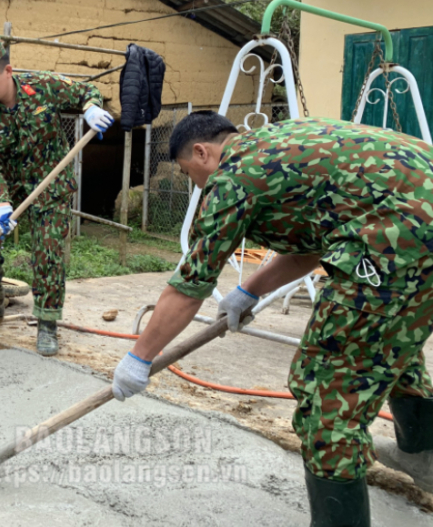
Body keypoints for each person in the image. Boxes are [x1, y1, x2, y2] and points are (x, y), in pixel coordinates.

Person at [111, 111, 433, 526]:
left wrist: (138, 359)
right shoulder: (279, 147)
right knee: (386, 341)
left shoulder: (232, 176)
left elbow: (188, 288)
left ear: (202, 152)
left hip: (399, 241)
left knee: (325, 392)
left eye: (192, 176)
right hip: (412, 231)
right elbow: (311, 248)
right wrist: (247, 292)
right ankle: (422, 453)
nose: (198, 187)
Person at [0, 35, 115, 356]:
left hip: (50, 183)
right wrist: (1, 202)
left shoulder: (43, 86)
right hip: (11, 186)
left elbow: (86, 90)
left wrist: (90, 108)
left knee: (47, 250)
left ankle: (47, 322)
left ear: (7, 71)